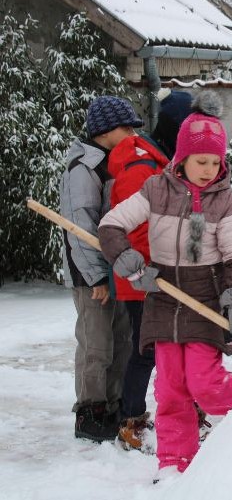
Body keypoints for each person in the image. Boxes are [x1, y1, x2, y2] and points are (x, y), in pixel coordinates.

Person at [98, 92, 232, 480]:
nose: (208, 169)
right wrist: (128, 261)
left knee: (206, 385)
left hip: (204, 297)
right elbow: (112, 225)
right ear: (181, 157)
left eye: (216, 161)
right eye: (201, 161)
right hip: (164, 297)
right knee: (170, 391)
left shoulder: (225, 199)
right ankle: (174, 466)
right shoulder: (156, 189)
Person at [60, 95, 140, 442]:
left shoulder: (116, 162)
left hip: (114, 269)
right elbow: (80, 227)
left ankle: (114, 404)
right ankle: (90, 412)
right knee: (97, 344)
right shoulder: (84, 168)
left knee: (122, 339)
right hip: (91, 274)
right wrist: (96, 276)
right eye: (126, 127)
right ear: (105, 130)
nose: (131, 133)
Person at [107, 114, 172, 452]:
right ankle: (131, 419)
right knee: (146, 350)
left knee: (164, 348)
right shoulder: (139, 169)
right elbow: (135, 230)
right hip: (142, 276)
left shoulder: (153, 163)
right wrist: (151, 269)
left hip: (156, 274)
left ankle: (175, 412)